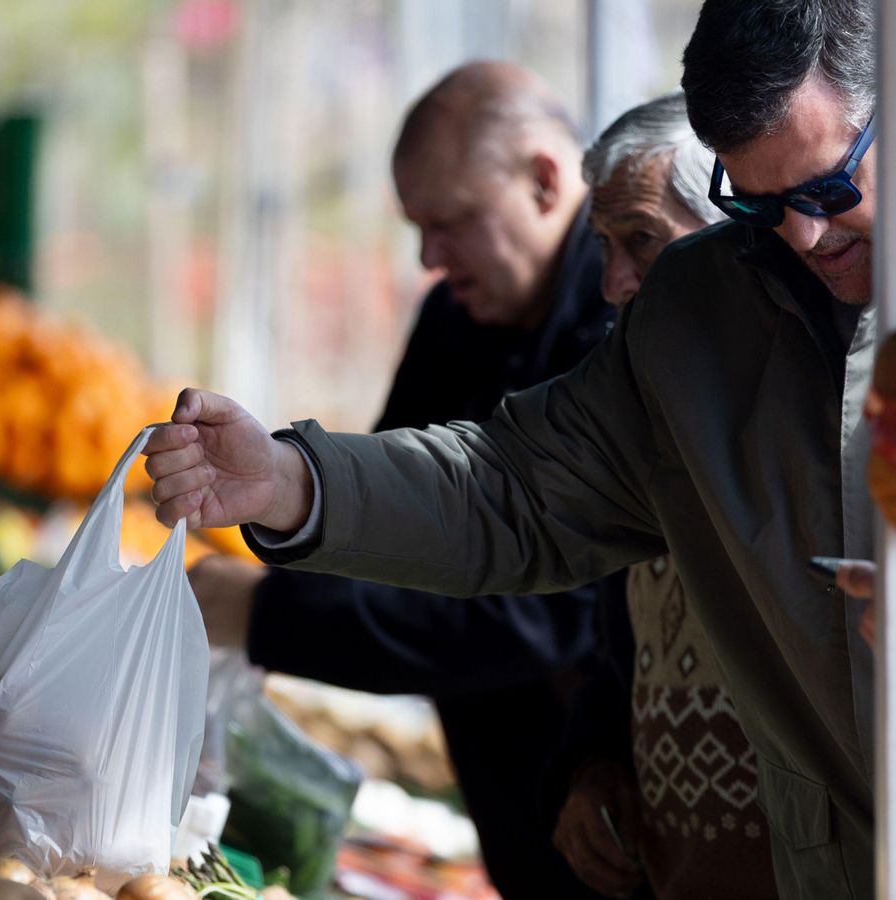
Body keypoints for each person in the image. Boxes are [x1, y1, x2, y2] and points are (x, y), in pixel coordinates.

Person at [142, 0, 881, 895]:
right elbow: (511, 488)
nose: (800, 236)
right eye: (755, 204)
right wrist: (288, 480)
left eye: (826, 191)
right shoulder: (696, 315)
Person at [190, 61, 620, 899]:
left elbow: (546, 611)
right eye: (416, 227)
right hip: (514, 799)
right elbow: (389, 524)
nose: (429, 257)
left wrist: (272, 614)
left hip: (605, 811)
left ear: (542, 179)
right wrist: (286, 510)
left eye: (451, 222)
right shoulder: (460, 316)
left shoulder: (619, 323)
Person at [548, 92, 777, 900]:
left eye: (640, 242)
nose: (613, 284)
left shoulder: (817, 424)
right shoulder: (641, 418)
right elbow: (618, 653)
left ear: (732, 231)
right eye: (605, 247)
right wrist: (596, 763)